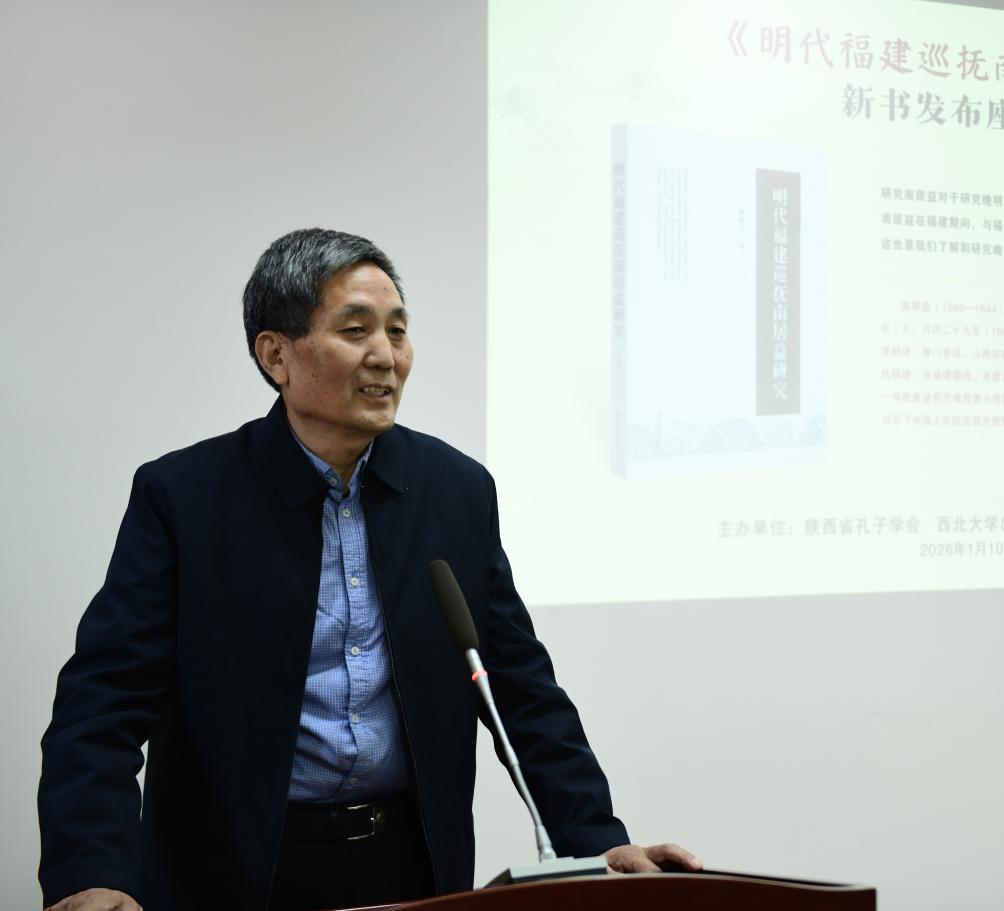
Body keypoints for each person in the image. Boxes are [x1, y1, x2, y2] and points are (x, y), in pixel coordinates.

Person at [38, 229, 699, 911]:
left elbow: (519, 690)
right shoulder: (186, 497)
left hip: (411, 865)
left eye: (398, 331)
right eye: (356, 330)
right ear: (276, 355)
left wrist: (595, 839)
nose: (386, 355)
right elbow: (103, 702)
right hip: (237, 870)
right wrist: (93, 872)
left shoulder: (455, 491)